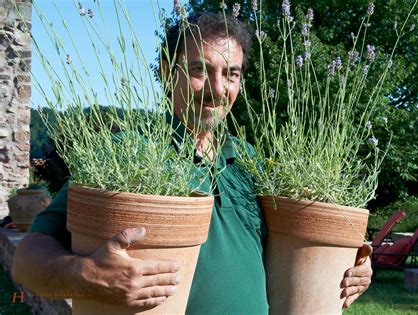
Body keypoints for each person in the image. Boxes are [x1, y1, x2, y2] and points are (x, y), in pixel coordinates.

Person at [12, 12, 372, 314]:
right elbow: (27, 259)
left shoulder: (252, 163)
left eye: (231, 74)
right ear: (169, 72)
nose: (218, 89)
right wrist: (89, 273)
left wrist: (354, 268)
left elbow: (295, 256)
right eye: (200, 70)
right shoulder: (127, 154)